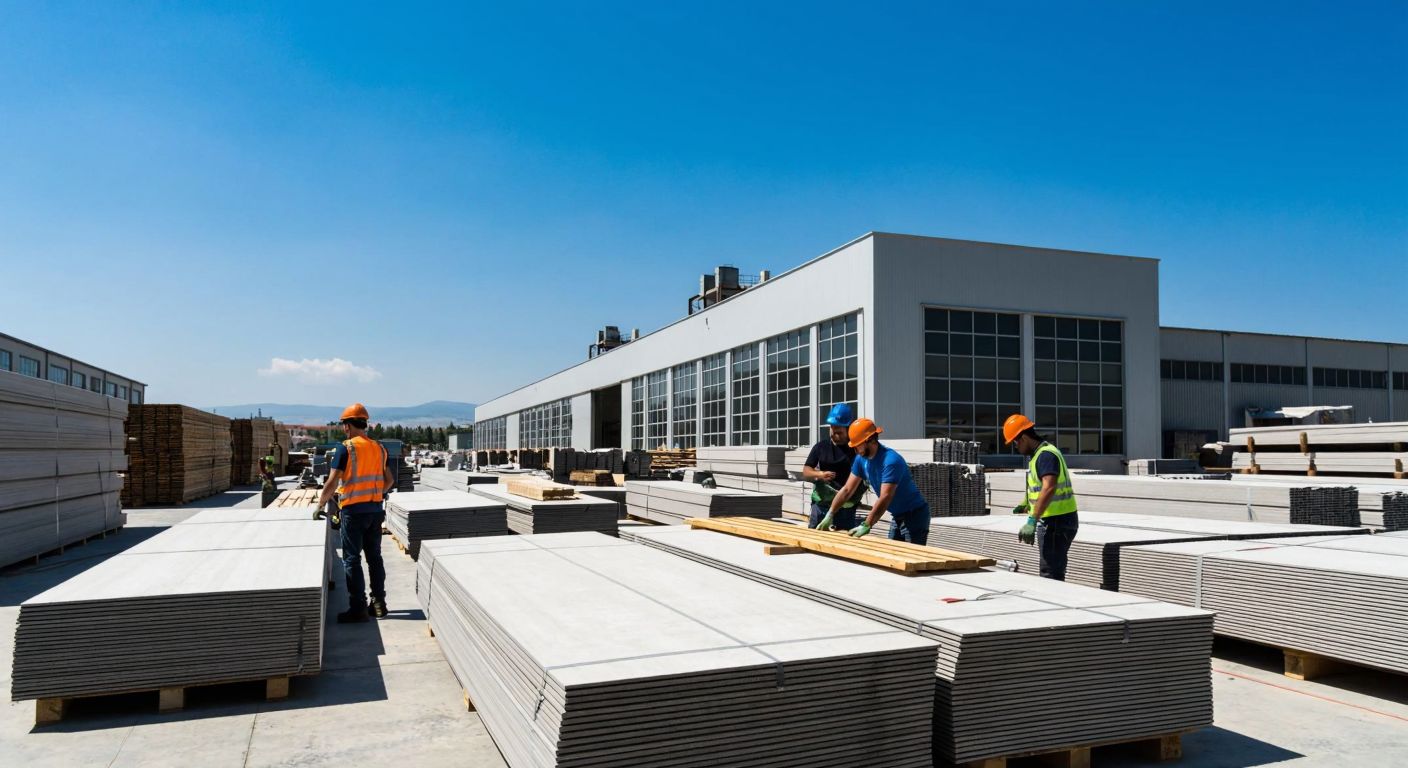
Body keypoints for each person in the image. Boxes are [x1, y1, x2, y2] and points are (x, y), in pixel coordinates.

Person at [317, 403, 396, 623]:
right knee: (374, 558)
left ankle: (358, 608)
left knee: (352, 560)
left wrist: (319, 505)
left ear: (347, 426)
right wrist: (375, 494)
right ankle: (379, 604)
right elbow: (389, 480)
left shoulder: (346, 448)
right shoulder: (379, 448)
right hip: (375, 510)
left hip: (353, 512)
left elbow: (332, 482)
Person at [817, 418, 930, 545]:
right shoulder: (861, 459)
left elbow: (885, 497)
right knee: (891, 557)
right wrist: (830, 514)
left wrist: (866, 524)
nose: (854, 450)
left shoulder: (890, 461)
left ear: (870, 440)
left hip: (915, 516)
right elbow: (847, 490)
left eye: (857, 445)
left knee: (911, 558)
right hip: (897, 515)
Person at [1004, 413, 1080, 580]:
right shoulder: (1040, 455)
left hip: (1056, 523)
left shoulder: (1045, 455)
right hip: (1058, 521)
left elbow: (1050, 486)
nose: (1016, 447)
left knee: (1050, 574)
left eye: (1016, 442)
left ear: (1023, 438)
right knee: (1051, 570)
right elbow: (1039, 487)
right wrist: (1027, 504)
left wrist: (1032, 520)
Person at [805, 404, 868, 531]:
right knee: (815, 537)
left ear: (848, 429)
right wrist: (820, 474)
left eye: (839, 432)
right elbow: (806, 471)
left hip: (846, 506)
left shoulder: (856, 449)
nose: (835, 435)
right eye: (832, 430)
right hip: (822, 504)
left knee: (843, 541)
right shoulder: (821, 447)